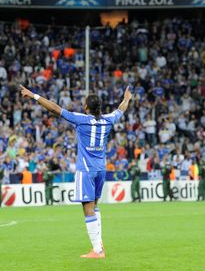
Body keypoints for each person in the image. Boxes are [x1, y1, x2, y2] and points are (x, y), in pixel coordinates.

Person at [20, 85, 132, 259]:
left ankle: (97, 250)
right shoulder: (108, 120)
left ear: (87, 107)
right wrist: (127, 99)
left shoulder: (81, 119)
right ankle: (99, 243)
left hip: (86, 170)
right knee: (94, 206)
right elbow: (120, 109)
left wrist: (34, 96)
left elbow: (54, 108)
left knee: (87, 208)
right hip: (101, 169)